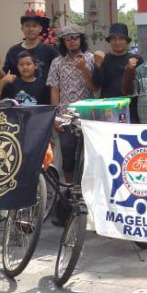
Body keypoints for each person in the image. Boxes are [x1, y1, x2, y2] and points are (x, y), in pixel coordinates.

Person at [47, 24, 95, 182]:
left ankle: (86, 190)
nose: (72, 41)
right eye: (67, 39)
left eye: (75, 38)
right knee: (67, 152)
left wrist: (84, 69)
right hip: (66, 116)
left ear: (81, 40)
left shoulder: (90, 58)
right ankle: (68, 189)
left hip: (88, 115)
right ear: (63, 42)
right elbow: (54, 90)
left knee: (89, 154)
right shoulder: (57, 62)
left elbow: (95, 87)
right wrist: (56, 117)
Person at [92, 23, 143, 122]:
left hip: (131, 109)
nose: (117, 42)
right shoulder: (104, 59)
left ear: (127, 41)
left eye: (121, 38)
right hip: (109, 110)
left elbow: (142, 87)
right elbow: (96, 84)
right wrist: (98, 66)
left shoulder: (137, 59)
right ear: (110, 41)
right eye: (114, 39)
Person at [0, 14, 58, 83]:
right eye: (27, 26)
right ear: (22, 29)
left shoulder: (50, 50)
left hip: (44, 92)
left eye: (34, 26)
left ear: (40, 29)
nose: (31, 29)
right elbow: (4, 77)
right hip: (18, 93)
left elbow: (58, 73)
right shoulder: (13, 51)